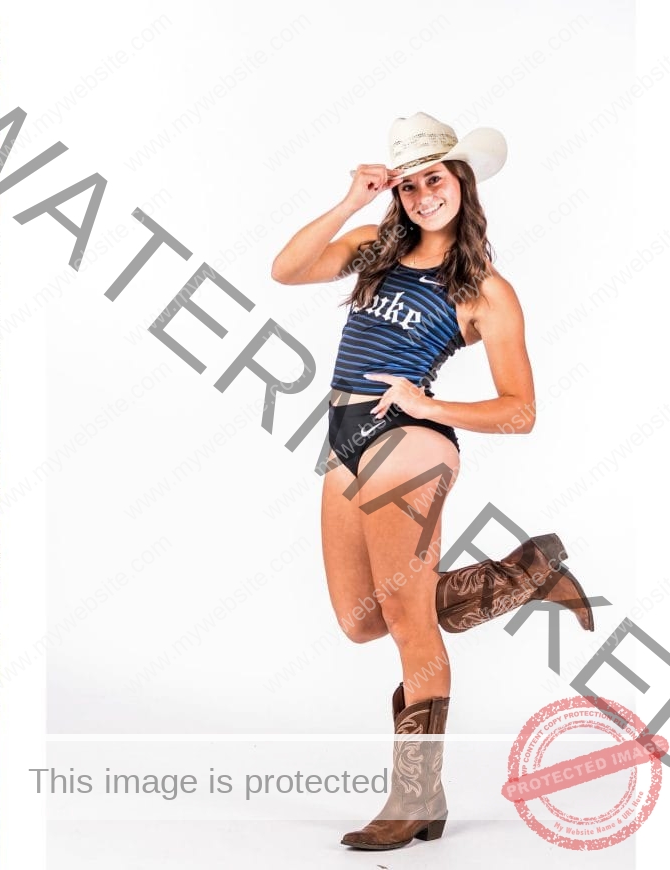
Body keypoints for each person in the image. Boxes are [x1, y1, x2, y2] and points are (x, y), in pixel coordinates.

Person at [271, 112, 594, 851]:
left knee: (410, 623)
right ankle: (527, 573)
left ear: (461, 183)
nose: (423, 195)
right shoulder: (374, 251)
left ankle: (414, 797)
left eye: (435, 180)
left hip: (412, 443)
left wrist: (428, 405)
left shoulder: (484, 288)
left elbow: (522, 411)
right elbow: (285, 270)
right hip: (342, 441)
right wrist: (352, 198)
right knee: (362, 620)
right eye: (410, 184)